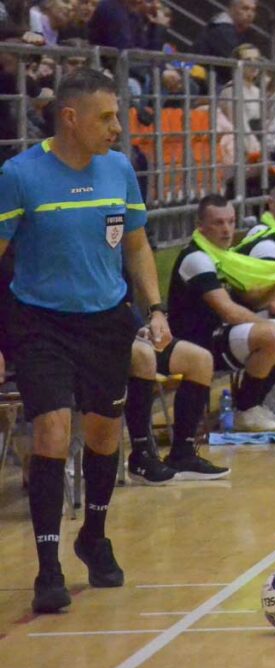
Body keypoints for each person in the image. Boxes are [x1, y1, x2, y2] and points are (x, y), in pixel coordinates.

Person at [0, 68, 171, 613]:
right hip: (39, 322)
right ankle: (48, 566)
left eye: (118, 115)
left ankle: (93, 537)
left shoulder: (120, 170)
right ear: (69, 119)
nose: (118, 127)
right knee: (51, 431)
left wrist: (156, 307)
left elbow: (138, 245)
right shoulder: (19, 175)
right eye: (106, 117)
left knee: (103, 435)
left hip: (106, 321)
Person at [167, 194, 275, 433]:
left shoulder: (226, 258)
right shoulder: (197, 258)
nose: (227, 229)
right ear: (200, 226)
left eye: (231, 221)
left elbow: (251, 301)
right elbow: (229, 311)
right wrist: (268, 326)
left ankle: (255, 405)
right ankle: (245, 410)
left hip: (222, 334)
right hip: (197, 342)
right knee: (274, 336)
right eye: (218, 223)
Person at [124, 334, 230, 482]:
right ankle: (141, 455)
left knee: (201, 359)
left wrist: (157, 314)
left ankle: (183, 454)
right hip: (103, 335)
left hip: (137, 333)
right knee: (144, 354)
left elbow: (150, 310)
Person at [192, 0, 258, 84]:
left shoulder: (239, 31)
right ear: (232, 9)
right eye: (245, 9)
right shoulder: (221, 30)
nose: (250, 14)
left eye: (253, 10)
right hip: (209, 83)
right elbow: (232, 61)